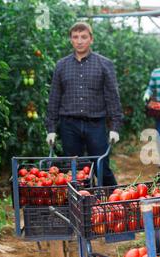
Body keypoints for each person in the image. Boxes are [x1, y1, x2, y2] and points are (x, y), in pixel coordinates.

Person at [45, 22, 122, 186]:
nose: (79, 41)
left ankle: (113, 203)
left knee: (102, 166)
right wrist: (51, 129)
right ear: (71, 40)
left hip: (95, 123)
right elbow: (54, 98)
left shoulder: (104, 64)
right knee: (74, 169)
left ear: (91, 39)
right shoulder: (61, 65)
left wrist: (115, 127)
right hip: (69, 125)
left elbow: (112, 97)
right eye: (75, 37)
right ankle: (81, 205)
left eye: (84, 37)